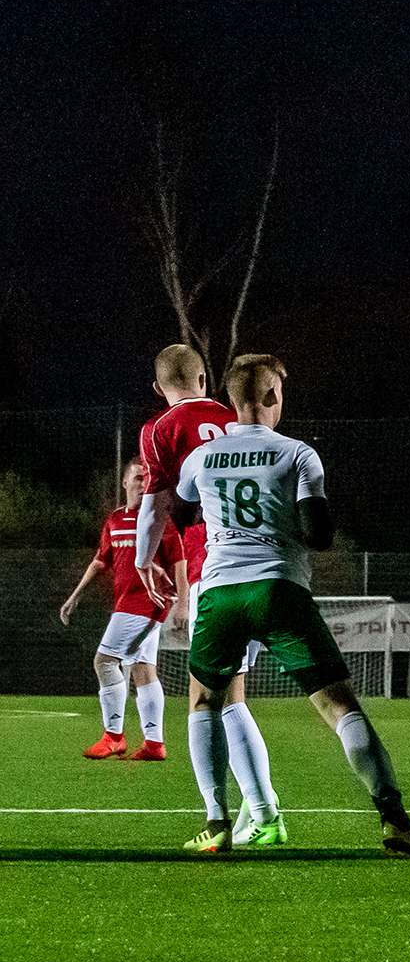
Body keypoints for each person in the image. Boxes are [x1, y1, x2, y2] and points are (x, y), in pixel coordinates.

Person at [174, 354, 410, 857]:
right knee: (339, 705)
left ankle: (216, 822)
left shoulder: (200, 459)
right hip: (279, 589)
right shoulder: (297, 454)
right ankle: (395, 820)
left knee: (205, 701)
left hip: (222, 591)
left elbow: (185, 500)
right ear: (274, 396)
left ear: (230, 400)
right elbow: (319, 535)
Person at [134, 343, 285, 843]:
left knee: (206, 698)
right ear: (206, 381)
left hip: (212, 564)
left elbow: (156, 506)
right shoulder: (237, 414)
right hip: (269, 562)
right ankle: (260, 813)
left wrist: (142, 561)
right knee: (233, 698)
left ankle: (228, 817)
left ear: (159, 390)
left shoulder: (160, 429)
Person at [60, 457, 186, 760]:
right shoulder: (115, 519)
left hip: (146, 602)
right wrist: (74, 595)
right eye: (139, 478)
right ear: (125, 482)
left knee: (104, 662)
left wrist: (183, 603)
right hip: (126, 602)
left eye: (148, 479)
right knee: (143, 670)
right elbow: (100, 560)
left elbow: (179, 563)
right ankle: (154, 744)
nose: (144, 484)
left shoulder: (159, 519)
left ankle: (114, 736)